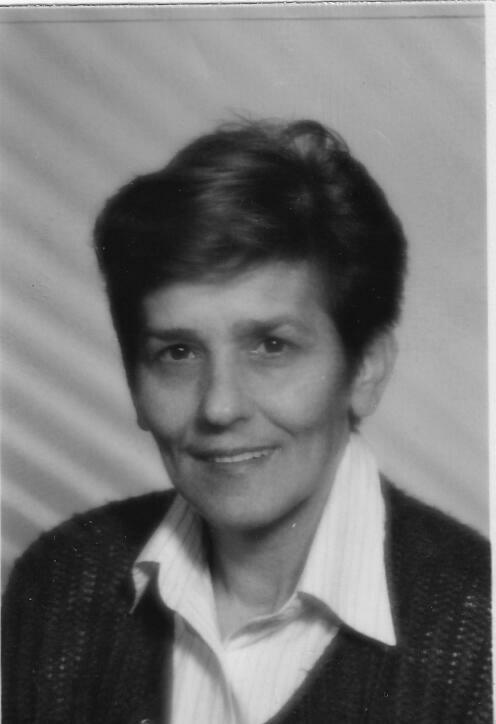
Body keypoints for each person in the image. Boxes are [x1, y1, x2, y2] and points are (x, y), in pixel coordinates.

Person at [2, 119, 491, 724]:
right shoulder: (61, 585)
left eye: (271, 346)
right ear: (133, 383)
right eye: (178, 352)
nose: (220, 407)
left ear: (365, 369)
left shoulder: (480, 632)